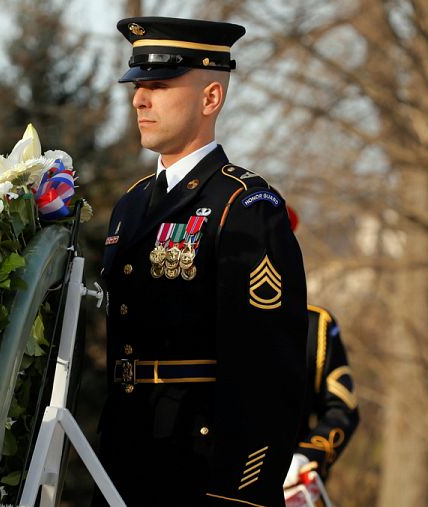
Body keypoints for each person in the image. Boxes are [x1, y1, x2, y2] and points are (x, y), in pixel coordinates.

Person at [94, 17, 308, 506]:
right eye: (137, 86)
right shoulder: (131, 204)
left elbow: (268, 368)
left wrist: (241, 494)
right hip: (126, 459)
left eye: (159, 86)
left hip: (201, 469)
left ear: (211, 98)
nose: (138, 100)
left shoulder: (245, 206)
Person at [283, 207, 359, 492]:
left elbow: (342, 409)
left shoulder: (316, 327)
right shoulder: (204, 319)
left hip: (285, 484)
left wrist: (305, 456)